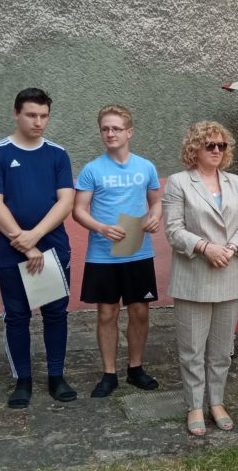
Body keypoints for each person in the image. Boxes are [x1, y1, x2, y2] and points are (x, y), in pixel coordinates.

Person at [0, 88, 76, 408]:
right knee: (17, 316)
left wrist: (35, 236)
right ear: (16, 113)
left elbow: (66, 201)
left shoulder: (57, 154)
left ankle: (56, 376)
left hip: (51, 247)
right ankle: (23, 380)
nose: (39, 122)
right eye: (32, 115)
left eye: (44, 116)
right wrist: (23, 241)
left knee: (55, 314)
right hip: (12, 250)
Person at [162, 122, 238, 436]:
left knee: (222, 350)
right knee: (192, 350)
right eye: (209, 145)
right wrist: (204, 247)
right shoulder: (178, 182)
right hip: (194, 277)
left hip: (229, 273)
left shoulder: (234, 182)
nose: (216, 150)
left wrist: (230, 248)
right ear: (195, 148)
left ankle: (216, 401)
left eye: (221, 145)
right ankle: (194, 406)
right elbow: (173, 230)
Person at [73, 105, 162, 398]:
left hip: (138, 251)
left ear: (129, 132)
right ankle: (109, 374)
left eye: (116, 129)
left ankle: (136, 369)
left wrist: (155, 217)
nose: (110, 134)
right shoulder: (92, 169)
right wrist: (101, 228)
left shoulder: (146, 167)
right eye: (105, 129)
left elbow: (156, 202)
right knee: (107, 313)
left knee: (140, 311)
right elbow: (78, 210)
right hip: (103, 254)